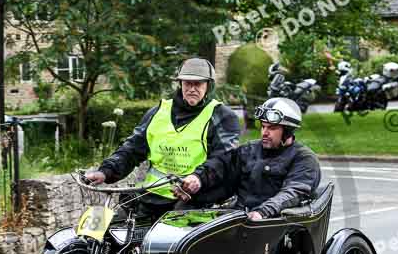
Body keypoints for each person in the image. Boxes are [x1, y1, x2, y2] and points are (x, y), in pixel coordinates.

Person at [84, 58, 240, 218]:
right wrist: (106, 171)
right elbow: (131, 149)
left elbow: (223, 161)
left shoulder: (222, 117)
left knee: (166, 239)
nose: (192, 89)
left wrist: (198, 178)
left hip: (194, 199)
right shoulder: (157, 112)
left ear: (209, 86)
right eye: (187, 83)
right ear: (180, 84)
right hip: (150, 196)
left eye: (198, 84)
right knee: (113, 230)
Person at [177, 97, 320, 220]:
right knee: (183, 209)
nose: (264, 132)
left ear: (288, 131)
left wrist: (263, 212)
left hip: (272, 223)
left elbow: (294, 191)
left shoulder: (304, 158)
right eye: (263, 127)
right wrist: (198, 179)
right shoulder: (249, 149)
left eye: (272, 128)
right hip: (240, 217)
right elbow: (222, 165)